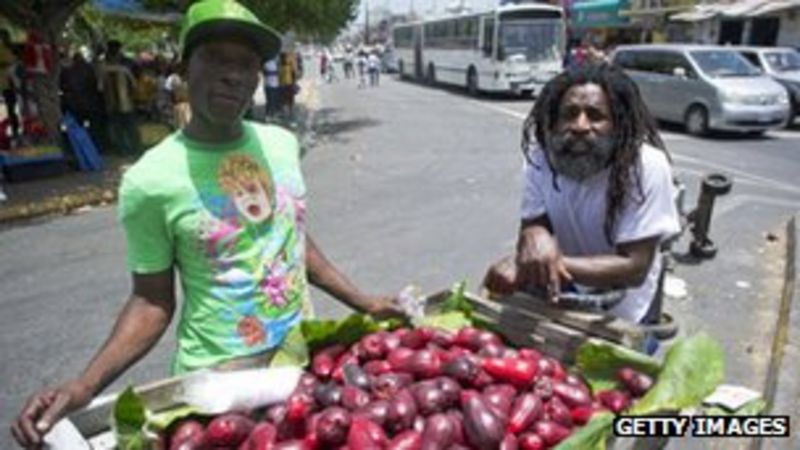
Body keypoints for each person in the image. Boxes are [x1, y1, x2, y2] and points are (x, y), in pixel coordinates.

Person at [10, 1, 402, 447]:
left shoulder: (282, 145)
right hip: (217, 387)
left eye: (248, 63)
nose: (234, 74)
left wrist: (364, 301)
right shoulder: (150, 180)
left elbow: (290, 238)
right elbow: (150, 303)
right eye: (216, 58)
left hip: (299, 365)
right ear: (183, 67)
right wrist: (84, 386)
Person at [482, 63, 680, 325]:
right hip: (560, 289)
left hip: (620, 307)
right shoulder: (540, 156)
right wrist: (535, 239)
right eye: (570, 113)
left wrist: (533, 264)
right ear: (554, 119)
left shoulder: (645, 166)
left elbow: (635, 268)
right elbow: (533, 223)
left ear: (618, 124)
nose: (580, 125)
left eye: (595, 116)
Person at [99, 40, 141, 154]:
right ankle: (134, 149)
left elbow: (100, 88)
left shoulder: (103, 69)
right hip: (126, 103)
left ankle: (123, 150)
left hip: (111, 105)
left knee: (118, 129)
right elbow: (134, 85)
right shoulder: (125, 68)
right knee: (130, 127)